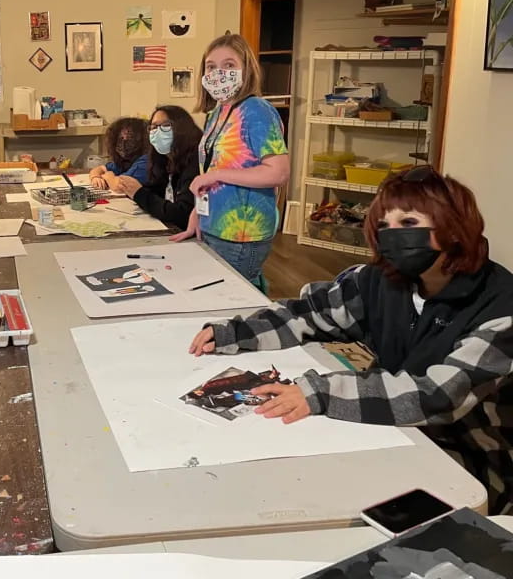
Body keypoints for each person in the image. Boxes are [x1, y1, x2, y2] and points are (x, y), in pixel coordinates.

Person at [187, 166, 513, 515]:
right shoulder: (381, 280)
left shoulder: (500, 305)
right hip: (392, 430)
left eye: (408, 223)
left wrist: (321, 393)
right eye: (384, 226)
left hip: (474, 459)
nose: (393, 236)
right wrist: (236, 333)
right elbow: (309, 314)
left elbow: (439, 396)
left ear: (454, 227)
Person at [170, 33, 289, 283]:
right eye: (211, 67)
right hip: (214, 226)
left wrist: (215, 176)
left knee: (229, 304)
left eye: (229, 65)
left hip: (241, 234)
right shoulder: (218, 113)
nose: (218, 73)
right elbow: (212, 166)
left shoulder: (257, 111)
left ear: (246, 69)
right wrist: (198, 214)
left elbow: (277, 172)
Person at [116, 105, 202, 227]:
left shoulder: (195, 161)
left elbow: (182, 213)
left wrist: (139, 193)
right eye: (153, 127)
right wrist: (133, 189)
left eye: (166, 125)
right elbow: (157, 191)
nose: (157, 132)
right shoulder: (162, 160)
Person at [89, 117, 149, 192]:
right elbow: (99, 169)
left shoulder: (146, 161)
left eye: (130, 137)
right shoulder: (126, 160)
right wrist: (95, 177)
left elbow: (119, 187)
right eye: (120, 138)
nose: (124, 142)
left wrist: (108, 176)